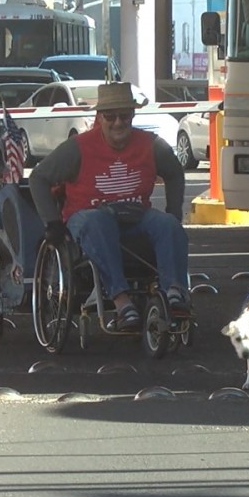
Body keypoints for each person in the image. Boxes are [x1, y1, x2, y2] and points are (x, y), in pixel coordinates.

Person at [29, 82, 190, 332]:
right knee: (98, 222)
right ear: (99, 117)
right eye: (110, 116)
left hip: (135, 216)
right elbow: (38, 178)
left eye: (124, 115)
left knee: (168, 225)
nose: (118, 123)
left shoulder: (150, 144)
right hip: (89, 217)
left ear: (133, 115)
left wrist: (174, 211)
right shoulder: (79, 147)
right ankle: (121, 300)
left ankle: (173, 293)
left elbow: (174, 173)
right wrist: (52, 222)